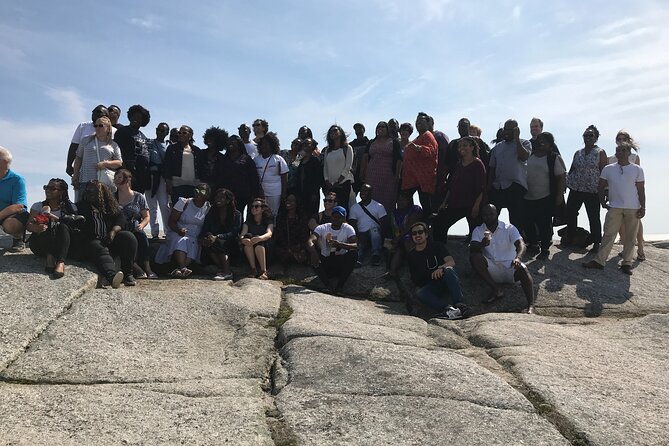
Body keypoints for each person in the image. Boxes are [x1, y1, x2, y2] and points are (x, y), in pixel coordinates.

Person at [582, 143, 645, 275]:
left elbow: (640, 189)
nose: (620, 152)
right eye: (618, 150)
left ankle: (627, 263)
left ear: (629, 153)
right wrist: (602, 202)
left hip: (632, 207)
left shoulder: (637, 169)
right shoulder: (608, 169)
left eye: (623, 150)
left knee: (630, 237)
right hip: (614, 206)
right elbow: (600, 186)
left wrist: (643, 206)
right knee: (609, 234)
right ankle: (599, 261)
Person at [470, 204, 535, 314]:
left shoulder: (509, 228)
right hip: (492, 270)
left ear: (497, 214)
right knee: (474, 257)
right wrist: (482, 244)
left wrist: (518, 258)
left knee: (523, 268)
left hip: (510, 267)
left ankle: (531, 305)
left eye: (491, 214)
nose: (488, 217)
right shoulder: (478, 230)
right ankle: (496, 289)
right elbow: (472, 247)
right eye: (485, 215)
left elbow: (521, 244)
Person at [75, 180, 138, 288]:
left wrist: (113, 231)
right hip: (91, 242)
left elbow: (121, 220)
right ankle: (112, 277)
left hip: (109, 239)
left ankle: (128, 274)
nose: (90, 193)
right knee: (98, 247)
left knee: (129, 237)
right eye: (88, 190)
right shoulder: (80, 206)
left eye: (93, 191)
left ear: (102, 193)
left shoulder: (110, 206)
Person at [405, 221, 469, 319]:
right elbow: (415, 278)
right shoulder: (411, 255)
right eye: (414, 233)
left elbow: (451, 261)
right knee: (420, 293)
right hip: (431, 286)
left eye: (420, 232)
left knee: (449, 270)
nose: (417, 235)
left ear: (426, 234)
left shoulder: (436, 246)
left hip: (445, 280)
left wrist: (441, 268)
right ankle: (448, 310)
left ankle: (460, 306)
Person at [433, 136, 486, 243]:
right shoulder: (459, 164)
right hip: (456, 203)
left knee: (476, 231)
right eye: (460, 146)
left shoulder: (477, 164)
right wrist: (444, 202)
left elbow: (481, 188)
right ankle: (441, 249)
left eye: (465, 145)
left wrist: (476, 206)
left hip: (471, 204)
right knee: (440, 222)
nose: (462, 148)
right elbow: (452, 186)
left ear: (472, 147)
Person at [523, 132, 566, 259]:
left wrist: (559, 196)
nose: (541, 142)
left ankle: (545, 248)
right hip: (528, 195)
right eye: (539, 140)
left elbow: (561, 177)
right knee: (528, 221)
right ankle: (533, 243)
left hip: (545, 196)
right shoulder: (529, 155)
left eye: (544, 141)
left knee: (544, 224)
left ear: (550, 143)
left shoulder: (553, 158)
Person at [565, 125, 608, 252]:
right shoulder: (578, 153)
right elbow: (572, 169)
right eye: (585, 135)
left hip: (592, 191)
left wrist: (605, 190)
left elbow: (604, 172)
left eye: (591, 136)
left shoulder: (600, 152)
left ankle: (596, 242)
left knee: (593, 217)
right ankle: (571, 237)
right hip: (576, 189)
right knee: (571, 213)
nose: (588, 138)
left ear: (596, 138)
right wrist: (565, 183)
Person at [26, 179, 80, 278]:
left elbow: (75, 225)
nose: (48, 190)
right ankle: (49, 256)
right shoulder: (38, 206)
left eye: (52, 188)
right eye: (46, 187)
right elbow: (28, 225)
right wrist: (36, 227)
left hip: (62, 245)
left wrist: (54, 217)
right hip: (41, 245)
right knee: (46, 222)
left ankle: (60, 262)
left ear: (62, 191)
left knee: (62, 225)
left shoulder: (70, 208)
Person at [156, 183, 212, 278]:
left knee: (193, 243)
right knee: (181, 241)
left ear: (208, 194)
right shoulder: (184, 202)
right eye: (197, 191)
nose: (199, 193)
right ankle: (183, 268)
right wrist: (178, 230)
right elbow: (171, 222)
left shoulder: (208, 207)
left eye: (202, 191)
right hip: (178, 231)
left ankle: (179, 269)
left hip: (195, 235)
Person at [487, 119, 531, 230]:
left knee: (516, 218)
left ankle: (516, 243)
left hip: (515, 186)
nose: (506, 132)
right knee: (491, 215)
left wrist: (516, 139)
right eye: (505, 129)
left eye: (510, 130)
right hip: (498, 186)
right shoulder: (498, 147)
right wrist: (488, 187)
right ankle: (490, 241)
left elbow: (524, 157)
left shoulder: (525, 143)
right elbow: (492, 167)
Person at [114, 169, 156, 279]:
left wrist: (142, 225)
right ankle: (136, 268)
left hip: (135, 226)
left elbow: (146, 216)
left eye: (119, 177)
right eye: (115, 177)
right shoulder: (113, 197)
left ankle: (148, 268)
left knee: (142, 237)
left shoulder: (138, 197)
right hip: (121, 229)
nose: (116, 180)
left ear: (127, 179)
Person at [307, 206, 358, 295]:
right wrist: (314, 253)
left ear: (343, 219)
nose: (336, 219)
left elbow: (355, 245)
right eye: (334, 216)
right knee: (310, 251)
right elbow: (310, 240)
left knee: (353, 254)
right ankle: (327, 285)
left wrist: (340, 244)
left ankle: (339, 287)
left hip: (340, 262)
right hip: (326, 261)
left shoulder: (348, 228)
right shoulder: (323, 227)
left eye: (339, 217)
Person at [611, 130, 645, 261]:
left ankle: (641, 248)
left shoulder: (634, 157)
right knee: (620, 223)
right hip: (617, 196)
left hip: (632, 196)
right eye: (618, 139)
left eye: (623, 138)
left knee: (636, 222)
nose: (621, 141)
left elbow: (637, 177)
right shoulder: (612, 158)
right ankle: (626, 249)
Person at [72, 116, 122, 199]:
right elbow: (78, 158)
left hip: (104, 182)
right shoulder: (86, 140)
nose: (97, 128)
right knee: (83, 207)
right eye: (95, 126)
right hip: (85, 180)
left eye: (100, 126)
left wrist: (106, 164)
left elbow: (119, 162)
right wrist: (75, 175)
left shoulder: (113, 144)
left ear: (108, 128)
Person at [360, 121, 402, 213]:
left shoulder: (394, 142)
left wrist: (398, 174)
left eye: (383, 127)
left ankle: (387, 223)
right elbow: (365, 157)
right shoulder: (371, 142)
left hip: (388, 175)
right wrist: (362, 172)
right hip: (372, 175)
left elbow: (399, 159)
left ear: (387, 129)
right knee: (372, 197)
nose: (380, 129)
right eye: (378, 127)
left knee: (388, 199)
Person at [401, 112, 438, 217]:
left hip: (423, 179)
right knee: (405, 202)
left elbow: (431, 151)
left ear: (428, 123)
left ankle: (426, 228)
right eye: (417, 122)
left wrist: (419, 148)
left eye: (421, 121)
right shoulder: (418, 138)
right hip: (412, 179)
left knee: (426, 205)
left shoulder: (428, 135)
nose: (418, 124)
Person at [200, 188, 242, 281]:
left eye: (221, 197)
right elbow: (205, 227)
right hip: (214, 241)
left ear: (228, 200)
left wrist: (218, 236)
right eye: (217, 197)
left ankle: (227, 272)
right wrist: (207, 236)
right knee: (208, 243)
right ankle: (222, 268)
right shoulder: (212, 212)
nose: (218, 199)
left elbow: (234, 232)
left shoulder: (237, 214)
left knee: (219, 242)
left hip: (231, 243)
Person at [219, 135, 263, 215]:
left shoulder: (246, 159)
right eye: (229, 142)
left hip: (242, 195)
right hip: (225, 195)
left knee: (238, 214)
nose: (230, 143)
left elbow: (254, 177)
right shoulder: (224, 159)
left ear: (239, 144)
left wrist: (254, 194)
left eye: (233, 141)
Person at [65, 105, 114, 176]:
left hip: (105, 171)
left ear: (106, 116)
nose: (95, 114)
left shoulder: (113, 131)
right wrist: (69, 165)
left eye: (99, 112)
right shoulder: (83, 126)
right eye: (94, 112)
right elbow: (74, 146)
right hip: (84, 170)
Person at [348, 184, 390, 266]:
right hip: (361, 234)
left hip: (375, 234)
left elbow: (385, 224)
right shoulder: (354, 207)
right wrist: (358, 235)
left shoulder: (379, 206)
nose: (362, 193)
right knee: (359, 241)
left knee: (374, 230)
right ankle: (359, 257)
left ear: (371, 193)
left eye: (365, 191)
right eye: (361, 191)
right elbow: (353, 224)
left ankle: (376, 255)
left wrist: (383, 239)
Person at [114, 104, 152, 193]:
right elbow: (117, 151)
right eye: (134, 116)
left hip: (141, 174)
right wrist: (123, 171)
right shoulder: (122, 131)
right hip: (126, 172)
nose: (135, 119)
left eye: (139, 118)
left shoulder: (143, 136)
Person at [164, 125, 204, 205]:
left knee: (190, 209)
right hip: (177, 186)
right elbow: (167, 167)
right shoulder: (172, 149)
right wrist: (168, 183)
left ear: (190, 135)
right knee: (178, 210)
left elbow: (201, 168)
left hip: (193, 186)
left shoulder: (196, 150)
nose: (181, 134)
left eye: (184, 133)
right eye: (179, 133)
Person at [386, 192, 423, 277]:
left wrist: (398, 238)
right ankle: (392, 271)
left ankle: (415, 265)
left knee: (407, 239)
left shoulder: (415, 209)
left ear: (409, 201)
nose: (400, 202)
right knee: (395, 249)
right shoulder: (394, 212)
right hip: (399, 238)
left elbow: (410, 226)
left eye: (403, 200)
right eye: (398, 200)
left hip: (413, 237)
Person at [0, 147, 28, 252]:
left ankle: (18, 238)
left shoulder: (17, 179)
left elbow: (18, 206)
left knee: (11, 225)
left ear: (4, 162)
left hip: (11, 214)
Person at [254, 132, 288, 216]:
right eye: (262, 144)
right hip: (261, 192)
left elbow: (284, 177)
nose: (264, 146)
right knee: (261, 214)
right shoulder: (256, 160)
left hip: (275, 192)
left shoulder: (278, 159)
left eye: (267, 144)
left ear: (272, 145)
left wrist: (284, 194)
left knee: (273, 214)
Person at [322, 125, 354, 212]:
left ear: (340, 132)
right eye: (331, 132)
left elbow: (348, 167)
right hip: (330, 186)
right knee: (331, 209)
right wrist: (327, 180)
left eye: (335, 130)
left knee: (343, 209)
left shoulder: (347, 148)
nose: (333, 133)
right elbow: (325, 167)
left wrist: (338, 181)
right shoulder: (327, 150)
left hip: (343, 184)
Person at [240, 197, 274, 280]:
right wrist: (243, 240)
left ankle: (263, 271)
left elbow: (269, 233)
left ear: (262, 209)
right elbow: (242, 235)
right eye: (252, 206)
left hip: (265, 249)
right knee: (248, 237)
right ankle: (253, 269)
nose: (253, 208)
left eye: (256, 206)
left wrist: (260, 238)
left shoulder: (268, 221)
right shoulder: (248, 222)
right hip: (251, 248)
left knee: (258, 243)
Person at [147, 122, 170, 239]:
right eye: (158, 129)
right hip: (150, 177)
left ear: (167, 133)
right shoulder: (149, 143)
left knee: (164, 205)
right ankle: (154, 232)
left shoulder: (169, 146)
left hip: (162, 178)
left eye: (163, 130)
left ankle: (167, 231)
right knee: (152, 207)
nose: (160, 132)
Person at [274, 193, 310, 264]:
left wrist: (299, 247)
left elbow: (304, 235)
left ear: (297, 203)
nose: (288, 202)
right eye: (287, 200)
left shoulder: (302, 218)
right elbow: (279, 235)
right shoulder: (280, 217)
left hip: (298, 246)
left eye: (292, 200)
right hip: (284, 247)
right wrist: (287, 248)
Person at [293, 138, 324, 217]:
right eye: (304, 144)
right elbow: (293, 167)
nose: (305, 146)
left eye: (308, 144)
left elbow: (318, 178)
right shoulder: (299, 159)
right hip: (300, 192)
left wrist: (314, 193)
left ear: (313, 146)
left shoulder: (316, 160)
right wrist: (300, 156)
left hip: (312, 194)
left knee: (311, 215)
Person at [198, 126, 229, 192]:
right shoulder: (201, 153)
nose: (209, 141)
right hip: (201, 187)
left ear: (218, 141)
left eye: (212, 139)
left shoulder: (222, 158)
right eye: (208, 139)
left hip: (217, 188)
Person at [350, 123, 369, 193]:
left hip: (366, 173)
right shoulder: (351, 144)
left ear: (363, 130)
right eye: (356, 129)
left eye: (359, 128)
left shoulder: (369, 143)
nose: (358, 130)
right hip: (354, 174)